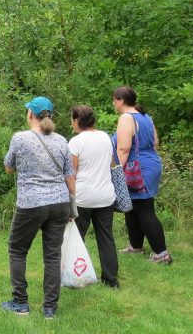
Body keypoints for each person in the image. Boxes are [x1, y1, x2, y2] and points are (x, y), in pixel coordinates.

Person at [1, 96, 74, 320]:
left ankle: (20, 303)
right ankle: (50, 308)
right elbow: (69, 175)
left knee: (17, 250)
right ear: (49, 115)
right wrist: (73, 205)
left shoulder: (20, 138)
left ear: (30, 114)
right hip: (60, 203)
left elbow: (8, 167)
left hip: (31, 203)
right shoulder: (62, 140)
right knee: (52, 256)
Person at [112, 86, 171, 264]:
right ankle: (136, 247)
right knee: (132, 207)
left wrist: (116, 173)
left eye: (114, 100)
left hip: (137, 167)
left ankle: (162, 254)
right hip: (150, 163)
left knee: (145, 209)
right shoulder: (145, 117)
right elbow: (155, 142)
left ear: (121, 101)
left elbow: (123, 148)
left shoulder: (126, 117)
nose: (113, 103)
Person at [69, 105, 119, 288]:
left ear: (77, 120)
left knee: (77, 238)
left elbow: (71, 172)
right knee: (106, 237)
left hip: (83, 197)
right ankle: (111, 279)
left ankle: (77, 277)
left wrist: (70, 198)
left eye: (71, 119)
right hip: (106, 196)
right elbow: (112, 163)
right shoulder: (106, 137)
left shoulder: (76, 142)